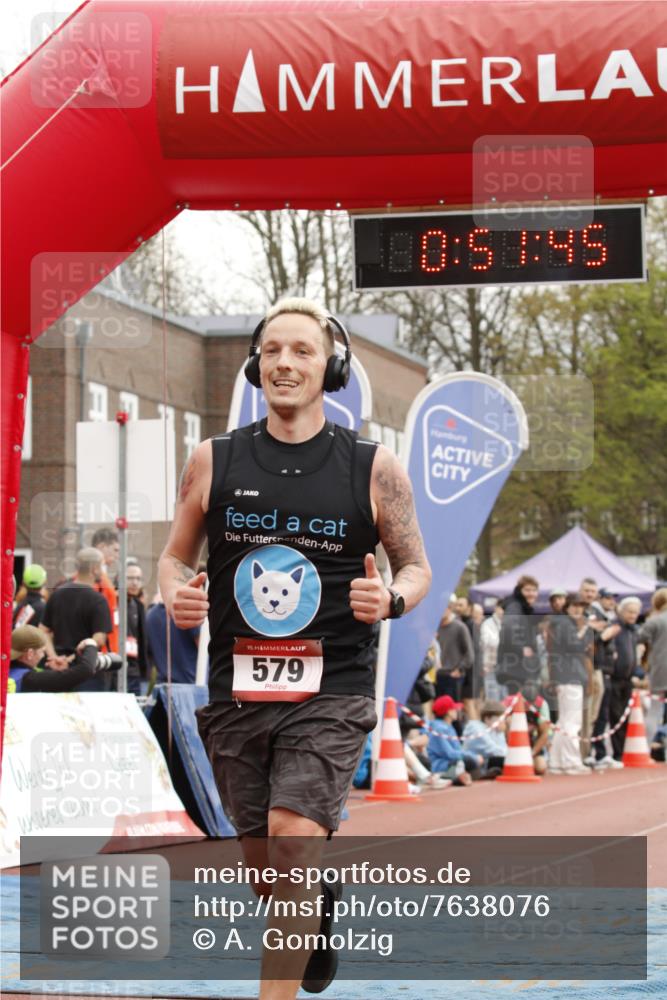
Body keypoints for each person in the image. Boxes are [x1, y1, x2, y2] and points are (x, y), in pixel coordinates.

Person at [157, 297, 432, 999]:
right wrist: (176, 593)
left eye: (302, 351)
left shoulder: (374, 468)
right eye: (272, 350)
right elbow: (171, 559)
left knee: (290, 840)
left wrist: (390, 599)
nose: (285, 363)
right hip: (237, 693)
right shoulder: (212, 460)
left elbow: (415, 568)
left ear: (329, 367)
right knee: (268, 868)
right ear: (256, 364)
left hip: (331, 687)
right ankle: (317, 904)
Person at [40, 548, 113, 691]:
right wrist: (72, 659)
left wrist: (54, 657)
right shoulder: (98, 601)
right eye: (102, 567)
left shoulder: (57, 594)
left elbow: (43, 631)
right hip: (87, 674)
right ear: (94, 569)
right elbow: (98, 640)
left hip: (58, 672)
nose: (103, 572)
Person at [547, 594, 592, 775]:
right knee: (572, 722)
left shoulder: (562, 623)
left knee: (564, 721)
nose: (578, 609)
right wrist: (587, 631)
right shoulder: (564, 624)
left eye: (581, 606)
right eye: (575, 605)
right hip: (569, 677)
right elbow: (576, 647)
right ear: (567, 606)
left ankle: (557, 761)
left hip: (566, 676)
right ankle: (571, 761)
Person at [9, 624, 121, 693]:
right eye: (42, 651)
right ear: (30, 653)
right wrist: (91, 643)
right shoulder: (29, 679)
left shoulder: (9, 672)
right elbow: (85, 670)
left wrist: (60, 670)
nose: (43, 656)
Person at [608, 596, 643, 766]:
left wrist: (637, 673)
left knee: (626, 716)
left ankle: (624, 751)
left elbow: (635, 654)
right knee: (615, 716)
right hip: (614, 678)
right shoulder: (615, 627)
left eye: (636, 612)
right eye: (630, 611)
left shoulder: (633, 630)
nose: (633, 615)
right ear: (622, 611)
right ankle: (617, 753)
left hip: (628, 679)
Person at [496, 575, 540, 700]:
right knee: (517, 704)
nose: (531, 593)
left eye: (533, 590)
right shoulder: (515, 606)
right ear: (520, 591)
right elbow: (508, 628)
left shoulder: (523, 608)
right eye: (527, 590)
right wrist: (521, 649)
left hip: (517, 667)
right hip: (514, 668)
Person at [146, 590, 200, 684]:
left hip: (163, 687)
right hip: (190, 685)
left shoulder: (150, 616)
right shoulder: (187, 612)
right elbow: (204, 650)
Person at [637, 588, 667, 742]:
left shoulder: (654, 621)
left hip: (660, 671)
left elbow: (638, 638)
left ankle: (646, 747)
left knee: (655, 710)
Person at [427, 695, 474, 785]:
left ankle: (460, 775)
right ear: (448, 712)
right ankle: (448, 776)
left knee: (471, 761)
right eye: (454, 709)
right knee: (468, 760)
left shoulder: (449, 726)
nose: (457, 710)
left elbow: (458, 750)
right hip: (441, 765)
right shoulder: (439, 729)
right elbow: (449, 753)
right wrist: (471, 756)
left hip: (451, 762)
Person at [435, 597, 473, 703]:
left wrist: (459, 669)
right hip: (437, 675)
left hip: (452, 676)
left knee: (452, 712)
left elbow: (469, 654)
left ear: (449, 609)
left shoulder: (460, 627)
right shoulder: (434, 627)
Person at [461, 700, 508, 777]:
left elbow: (504, 749)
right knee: (504, 760)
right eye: (499, 718)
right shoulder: (475, 728)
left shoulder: (496, 730)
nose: (502, 722)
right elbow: (494, 751)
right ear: (487, 718)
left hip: (486, 763)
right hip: (471, 766)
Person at [124, 563, 149, 695]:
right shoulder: (112, 602)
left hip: (135, 670)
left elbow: (142, 639)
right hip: (117, 670)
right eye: (130, 578)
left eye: (138, 579)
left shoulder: (138, 606)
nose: (135, 583)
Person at [480, 601, 506, 701]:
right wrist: (504, 642)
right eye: (501, 608)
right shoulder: (487, 624)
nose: (503, 611)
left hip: (505, 668)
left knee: (505, 699)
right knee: (493, 699)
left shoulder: (508, 623)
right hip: (491, 667)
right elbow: (487, 642)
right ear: (496, 608)